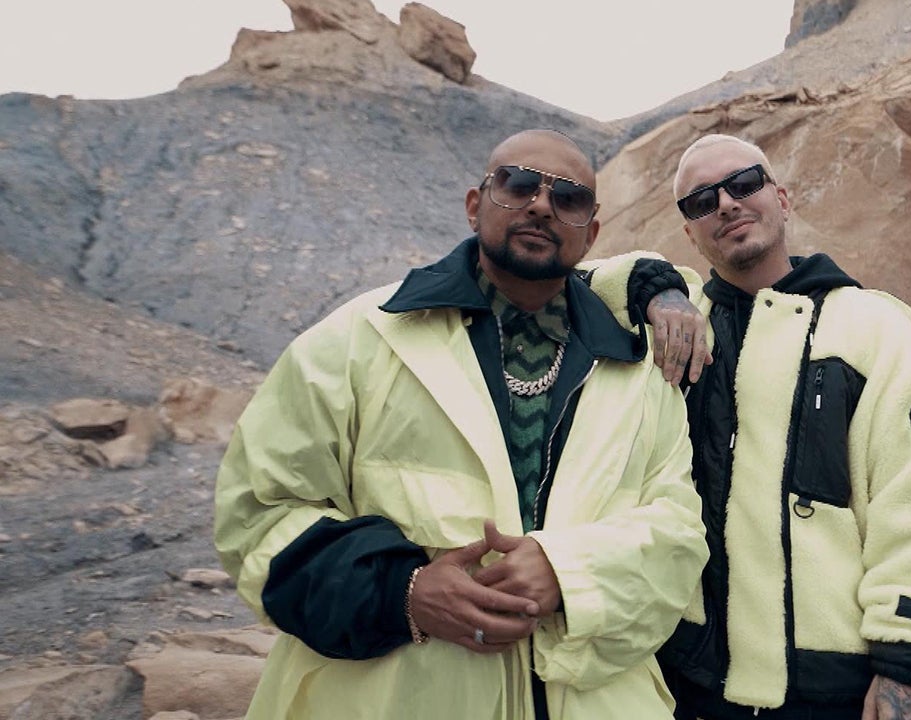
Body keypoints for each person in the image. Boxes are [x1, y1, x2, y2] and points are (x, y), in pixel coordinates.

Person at [213, 128, 709, 720]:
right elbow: (258, 513)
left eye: (568, 198)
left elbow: (679, 534)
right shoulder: (358, 341)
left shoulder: (642, 371)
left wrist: (568, 573)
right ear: (475, 205)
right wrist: (403, 592)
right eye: (518, 184)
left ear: (592, 233)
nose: (541, 205)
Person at [614, 134, 911, 719]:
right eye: (701, 200)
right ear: (689, 233)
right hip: (688, 686)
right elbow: (572, 280)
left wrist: (907, 665)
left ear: (782, 198)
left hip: (831, 693)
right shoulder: (679, 326)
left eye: (744, 183)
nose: (726, 204)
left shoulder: (874, 327)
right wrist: (657, 288)